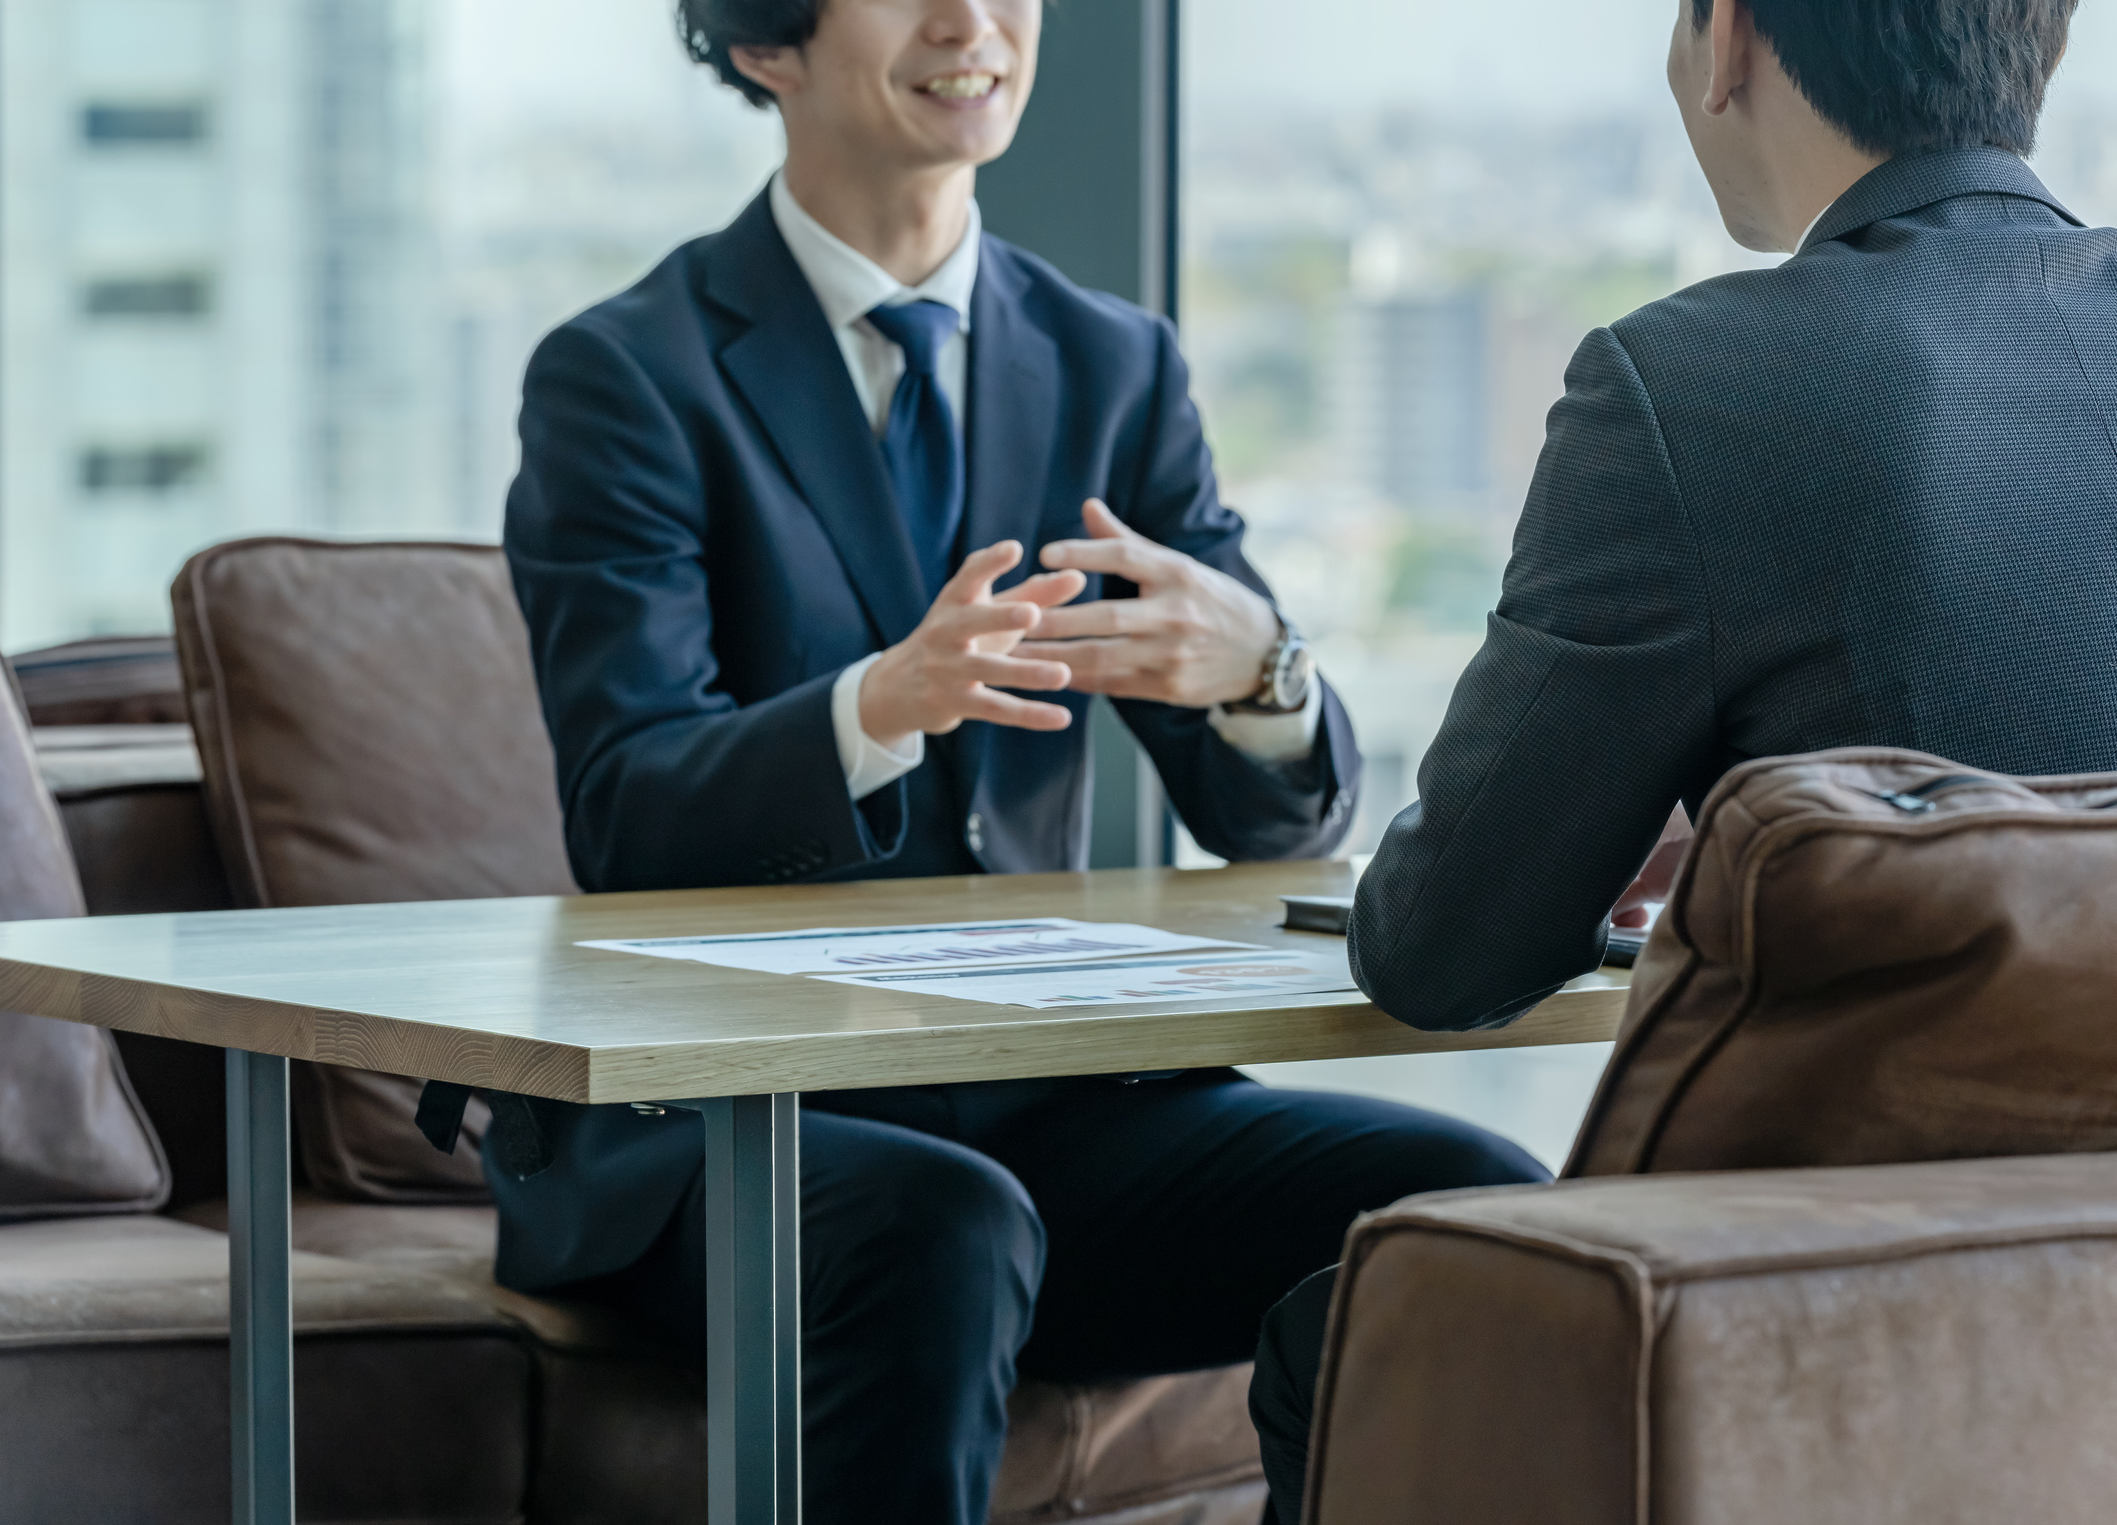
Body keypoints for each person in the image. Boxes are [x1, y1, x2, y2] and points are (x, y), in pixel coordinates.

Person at [1246, 0, 2117, 1517]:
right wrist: (1803, 844)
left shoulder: (1692, 383)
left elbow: (1438, 949)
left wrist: (1655, 847)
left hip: (1838, 1350)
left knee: (1346, 1331)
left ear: (1730, 41)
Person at [493, 0, 1549, 1520]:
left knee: (1468, 1208)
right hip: (720, 1128)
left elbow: (1282, 819)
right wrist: (880, 704)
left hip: (1046, 1100)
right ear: (764, 44)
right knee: (942, 1222)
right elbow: (624, 812)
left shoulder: (1111, 363)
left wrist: (1266, 669)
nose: (973, 21)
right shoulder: (627, 377)